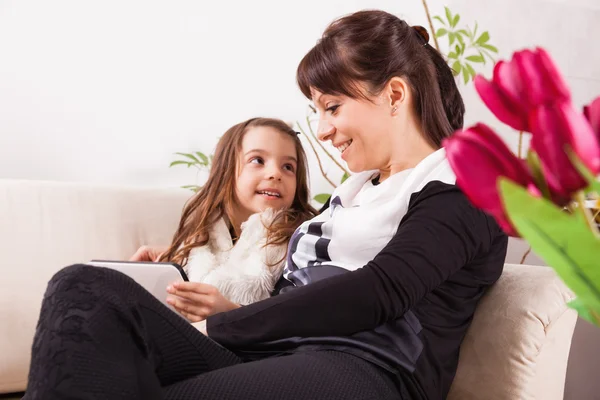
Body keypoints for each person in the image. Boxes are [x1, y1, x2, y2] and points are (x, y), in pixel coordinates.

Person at [24, 10, 508, 400]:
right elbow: (271, 270)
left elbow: (377, 292)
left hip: (367, 368)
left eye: (333, 107)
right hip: (272, 355)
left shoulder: (465, 187)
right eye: (318, 111)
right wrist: (176, 272)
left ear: (395, 94)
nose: (321, 130)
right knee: (84, 288)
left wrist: (221, 324)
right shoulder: (355, 193)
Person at [129, 117, 317, 321]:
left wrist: (230, 314)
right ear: (226, 170)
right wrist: (157, 272)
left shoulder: (303, 244)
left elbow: (298, 323)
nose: (275, 173)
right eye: (258, 160)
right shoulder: (198, 243)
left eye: (288, 167)